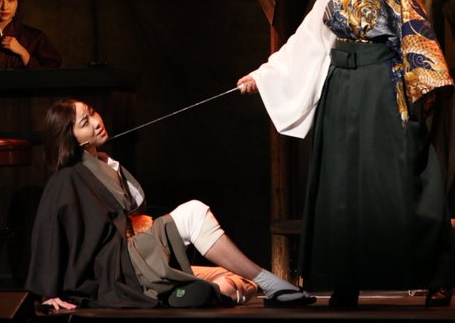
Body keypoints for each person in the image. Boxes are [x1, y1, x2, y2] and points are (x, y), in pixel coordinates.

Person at [238, 0, 455, 307]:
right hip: (341, 86)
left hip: (379, 84)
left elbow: (412, 26)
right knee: (340, 184)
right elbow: (309, 38)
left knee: (399, 178)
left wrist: (420, 88)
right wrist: (263, 75)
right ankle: (346, 278)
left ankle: (436, 275)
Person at [25, 99, 316, 311]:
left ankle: (204, 292)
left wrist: (110, 165)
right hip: (123, 264)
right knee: (193, 212)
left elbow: (134, 205)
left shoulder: (102, 164)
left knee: (239, 283)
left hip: (140, 256)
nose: (96, 121)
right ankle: (272, 284)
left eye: (92, 113)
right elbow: (48, 233)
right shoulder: (67, 178)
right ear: (71, 139)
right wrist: (47, 292)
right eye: (85, 123)